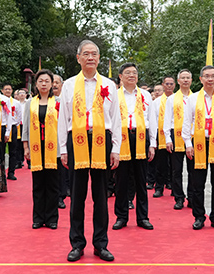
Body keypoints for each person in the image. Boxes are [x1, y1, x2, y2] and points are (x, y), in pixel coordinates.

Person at [58, 40, 121, 262]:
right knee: (76, 195)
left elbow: (116, 118)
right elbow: (63, 118)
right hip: (76, 141)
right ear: (78, 58)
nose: (90, 57)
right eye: (86, 54)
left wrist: (116, 148)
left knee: (101, 195)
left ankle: (100, 243)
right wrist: (63, 149)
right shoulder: (68, 85)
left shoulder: (109, 85)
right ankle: (77, 244)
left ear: (99, 58)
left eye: (94, 54)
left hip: (101, 141)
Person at [182, 65, 214, 231]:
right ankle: (199, 216)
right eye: (206, 76)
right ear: (200, 79)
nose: (210, 79)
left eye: (213, 76)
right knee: (198, 181)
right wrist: (188, 144)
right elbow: (186, 121)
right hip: (198, 141)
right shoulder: (193, 98)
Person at [112, 63, 155, 231]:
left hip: (141, 137)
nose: (132, 75)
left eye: (134, 73)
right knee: (121, 180)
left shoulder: (145, 95)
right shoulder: (114, 95)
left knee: (141, 179)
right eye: (127, 73)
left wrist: (152, 144)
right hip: (121, 139)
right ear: (120, 77)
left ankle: (143, 217)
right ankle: (121, 216)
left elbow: (151, 120)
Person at [23, 69, 60, 229]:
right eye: (40, 81)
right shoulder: (30, 103)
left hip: (54, 148)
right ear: (36, 84)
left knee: (53, 184)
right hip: (36, 147)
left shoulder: (58, 102)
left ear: (52, 84)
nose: (44, 84)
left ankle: (52, 218)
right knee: (38, 184)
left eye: (47, 81)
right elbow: (25, 126)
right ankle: (38, 218)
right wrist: (26, 147)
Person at [163, 69, 193, 209]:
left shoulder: (196, 98)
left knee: (194, 169)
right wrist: (168, 138)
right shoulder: (171, 99)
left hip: (193, 136)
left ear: (192, 80)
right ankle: (179, 197)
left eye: (188, 77)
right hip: (176, 134)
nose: (186, 80)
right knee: (176, 169)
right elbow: (167, 119)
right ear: (178, 81)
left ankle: (192, 197)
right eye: (183, 78)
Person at [150, 76, 175, 198]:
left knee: (175, 164)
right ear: (163, 85)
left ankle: (172, 185)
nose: (169, 86)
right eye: (167, 84)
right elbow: (153, 120)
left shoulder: (178, 99)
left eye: (171, 84)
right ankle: (159, 187)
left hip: (175, 135)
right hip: (161, 136)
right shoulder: (156, 102)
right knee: (161, 164)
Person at [53, 74, 69, 209]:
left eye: (57, 82)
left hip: (61, 140)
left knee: (61, 170)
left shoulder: (65, 100)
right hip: (45, 140)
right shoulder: (42, 101)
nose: (54, 85)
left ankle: (60, 196)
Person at [3, 83, 22, 179]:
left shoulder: (16, 102)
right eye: (6, 89)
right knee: (1, 151)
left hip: (13, 127)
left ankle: (11, 172)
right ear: (2, 90)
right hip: (2, 127)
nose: (7, 91)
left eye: (9, 89)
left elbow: (19, 116)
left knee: (13, 151)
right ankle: (1, 173)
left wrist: (15, 124)